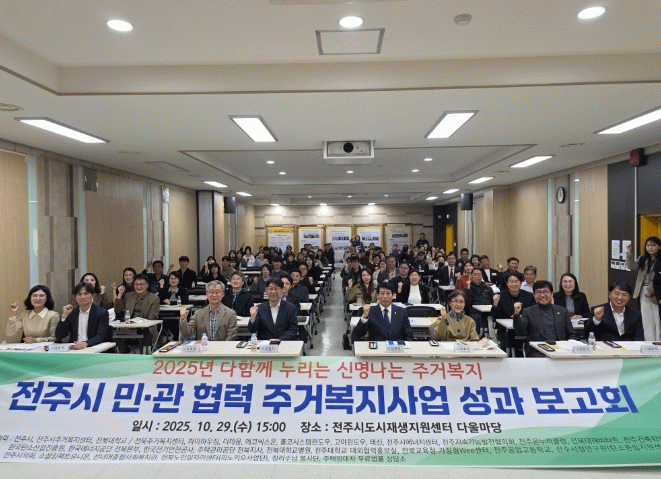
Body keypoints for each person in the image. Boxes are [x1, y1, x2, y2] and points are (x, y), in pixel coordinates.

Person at [514, 280, 577, 357]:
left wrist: (569, 346)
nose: (542, 295)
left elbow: (571, 334)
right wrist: (516, 314)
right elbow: (520, 332)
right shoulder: (528, 311)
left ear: (551, 294)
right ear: (534, 295)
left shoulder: (562, 311)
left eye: (545, 292)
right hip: (537, 352)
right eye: (539, 292)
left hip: (560, 351)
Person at [55, 282, 110, 349]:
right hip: (75, 349)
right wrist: (64, 316)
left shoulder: (101, 313)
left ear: (92, 295)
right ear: (75, 297)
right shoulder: (72, 313)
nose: (83, 297)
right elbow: (59, 335)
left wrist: (86, 343)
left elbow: (101, 336)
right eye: (79, 294)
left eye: (86, 294)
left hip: (94, 347)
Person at [625, 237, 660, 341]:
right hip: (642, 291)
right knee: (646, 318)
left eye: (653, 245)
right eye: (648, 245)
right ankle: (650, 342)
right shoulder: (643, 259)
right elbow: (631, 266)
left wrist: (650, 290)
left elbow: (659, 278)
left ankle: (658, 342)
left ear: (659, 246)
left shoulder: (659, 260)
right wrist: (629, 253)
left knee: (657, 319)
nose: (650, 248)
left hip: (656, 291)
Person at [492, 271, 535, 351]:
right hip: (505, 329)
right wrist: (495, 304)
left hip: (524, 328)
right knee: (508, 337)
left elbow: (533, 313)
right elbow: (495, 317)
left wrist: (521, 316)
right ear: (507, 283)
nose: (514, 284)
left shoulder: (529, 296)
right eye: (511, 282)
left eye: (516, 281)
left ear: (521, 283)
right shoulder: (500, 296)